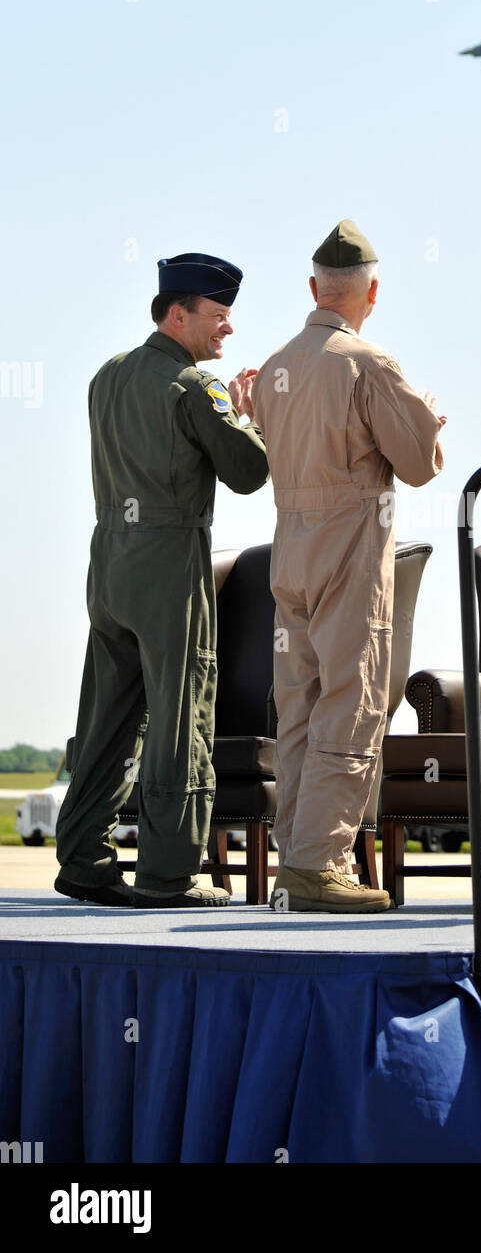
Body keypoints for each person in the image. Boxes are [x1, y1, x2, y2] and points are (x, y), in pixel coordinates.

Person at [55, 253, 270, 909]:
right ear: (178, 314)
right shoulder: (192, 386)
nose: (227, 330)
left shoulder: (107, 377)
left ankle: (84, 858)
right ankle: (169, 873)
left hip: (109, 559)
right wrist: (245, 414)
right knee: (181, 713)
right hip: (169, 558)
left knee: (105, 718)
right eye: (218, 316)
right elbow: (246, 470)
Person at [253, 220, 444, 913]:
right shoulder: (369, 364)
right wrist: (427, 422)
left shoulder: (274, 367)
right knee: (353, 698)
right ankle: (321, 862)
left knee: (298, 705)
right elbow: (418, 466)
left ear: (313, 288)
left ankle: (296, 857)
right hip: (350, 548)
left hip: (291, 547)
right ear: (372, 293)